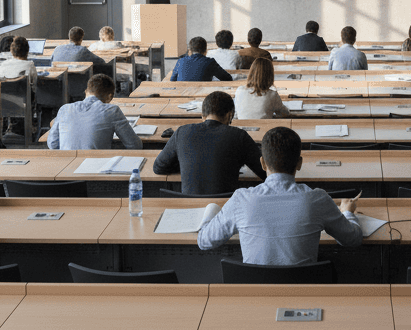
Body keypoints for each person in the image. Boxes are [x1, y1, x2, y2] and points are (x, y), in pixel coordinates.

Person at [197, 126, 361, 265]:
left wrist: (211, 209)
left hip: (256, 295)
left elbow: (204, 241)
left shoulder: (241, 199)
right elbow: (352, 239)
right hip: (303, 293)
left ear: (262, 163)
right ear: (299, 163)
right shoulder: (318, 199)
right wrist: (348, 212)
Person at [153, 91, 267, 195]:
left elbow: (158, 167)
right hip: (225, 208)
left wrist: (186, 162)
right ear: (229, 115)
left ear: (203, 116)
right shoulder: (239, 136)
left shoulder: (182, 132)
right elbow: (265, 172)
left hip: (189, 209)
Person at [46, 74, 142, 150]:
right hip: (96, 167)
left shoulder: (65, 109)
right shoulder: (112, 111)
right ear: (110, 97)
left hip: (67, 168)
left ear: (86, 92)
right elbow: (135, 145)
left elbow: (52, 144)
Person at [170, 36, 235, 82]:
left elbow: (172, 79)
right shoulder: (210, 62)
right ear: (205, 51)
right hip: (203, 97)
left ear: (190, 51)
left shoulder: (180, 61)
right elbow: (227, 78)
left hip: (182, 96)